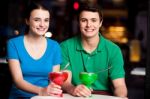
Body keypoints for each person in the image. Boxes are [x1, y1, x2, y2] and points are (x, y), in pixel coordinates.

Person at [60, 3, 128, 98]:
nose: (89, 25)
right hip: (73, 95)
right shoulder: (65, 47)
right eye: (84, 20)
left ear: (100, 23)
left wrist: (121, 96)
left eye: (93, 20)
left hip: (103, 96)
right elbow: (65, 81)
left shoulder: (113, 50)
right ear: (78, 22)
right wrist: (72, 89)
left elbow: (120, 85)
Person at [7, 1, 62, 98]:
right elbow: (18, 80)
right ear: (27, 21)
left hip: (44, 97)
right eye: (37, 20)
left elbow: (54, 81)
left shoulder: (55, 46)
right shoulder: (13, 44)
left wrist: (51, 91)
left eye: (46, 20)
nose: (42, 24)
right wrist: (41, 90)